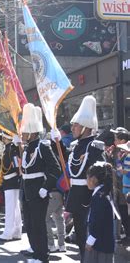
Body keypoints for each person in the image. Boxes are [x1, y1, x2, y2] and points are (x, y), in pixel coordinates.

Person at [20, 104, 61, 263]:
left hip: (38, 191)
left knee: (39, 225)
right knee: (29, 224)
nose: (22, 134)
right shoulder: (27, 148)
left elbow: (55, 168)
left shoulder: (42, 146)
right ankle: (36, 253)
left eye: (24, 131)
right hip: (27, 191)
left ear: (32, 132)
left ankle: (43, 256)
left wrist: (46, 187)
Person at [66, 96, 105, 260]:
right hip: (76, 196)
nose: (73, 128)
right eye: (73, 125)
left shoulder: (94, 147)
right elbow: (73, 177)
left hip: (89, 198)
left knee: (90, 237)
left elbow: (102, 176)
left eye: (76, 125)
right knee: (81, 239)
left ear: (87, 127)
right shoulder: (76, 147)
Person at [84, 162, 117, 263]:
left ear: (94, 179)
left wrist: (90, 240)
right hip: (104, 240)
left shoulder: (100, 196)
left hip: (99, 242)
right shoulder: (103, 193)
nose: (86, 181)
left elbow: (97, 220)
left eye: (87, 178)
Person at [0, 132, 22, 242]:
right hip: (11, 180)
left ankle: (8, 233)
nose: (2, 138)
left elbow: (16, 164)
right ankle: (16, 231)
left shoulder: (11, 148)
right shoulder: (10, 148)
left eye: (3, 136)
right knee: (15, 207)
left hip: (11, 180)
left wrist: (18, 175)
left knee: (11, 208)